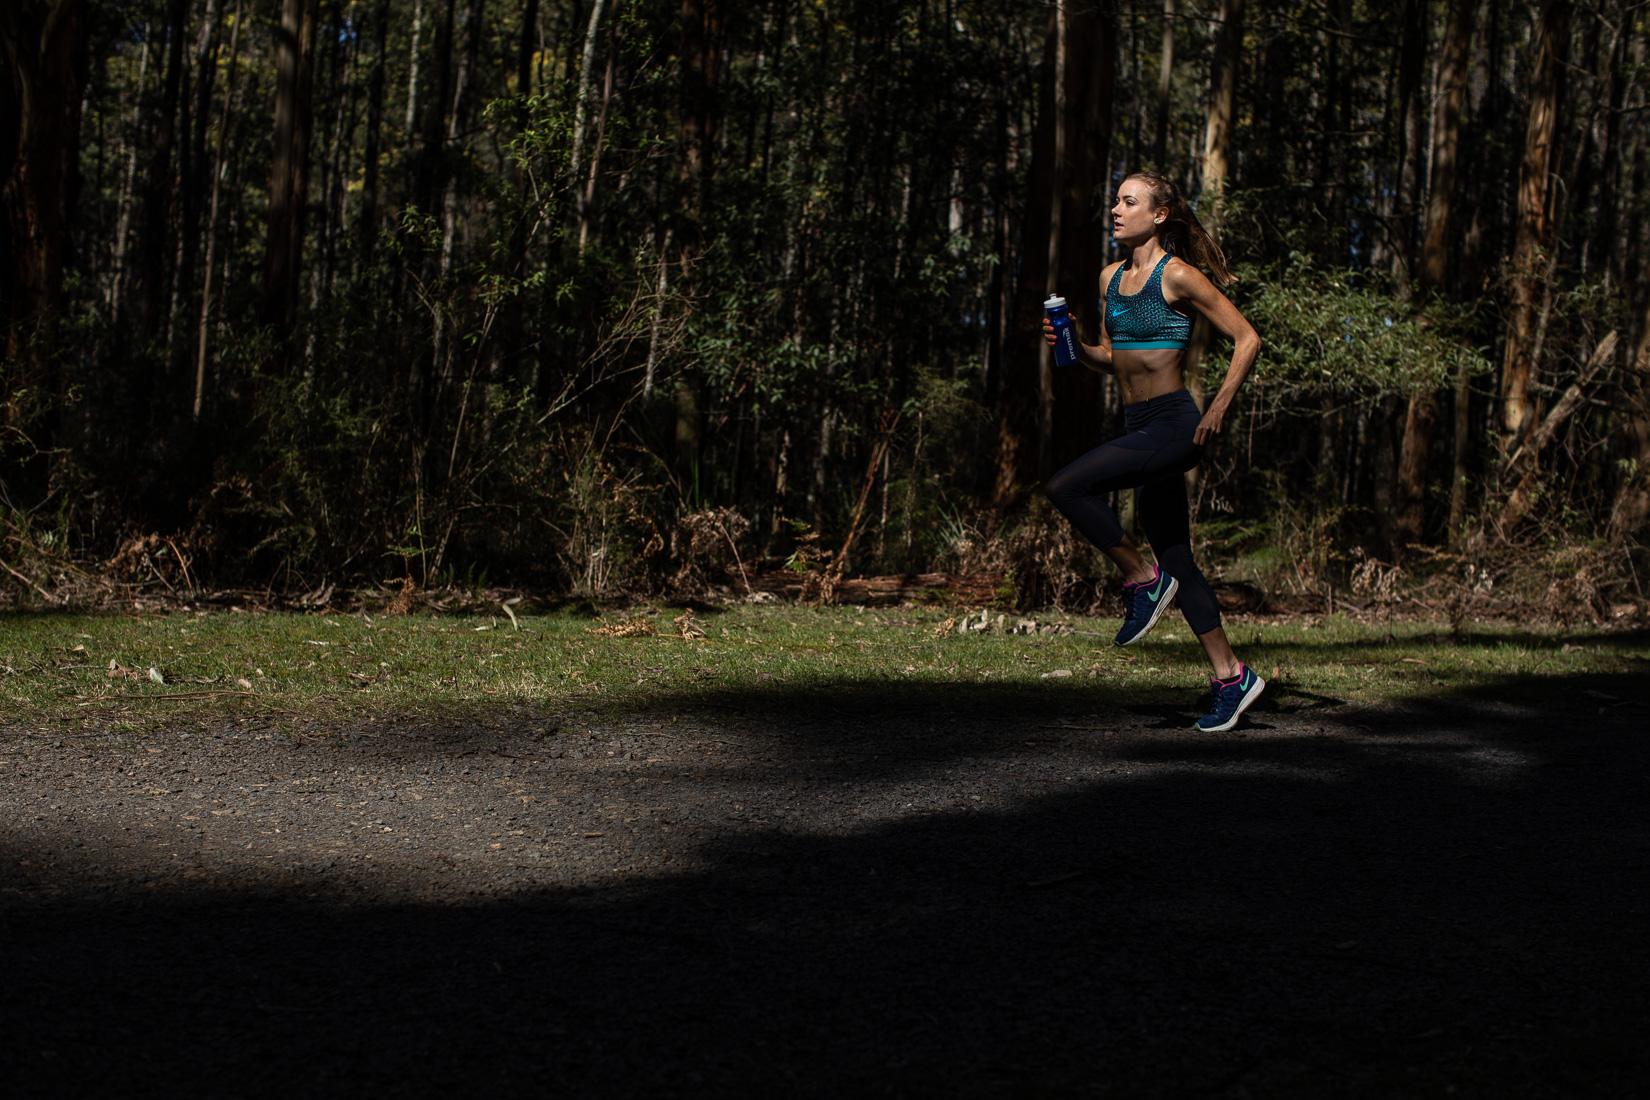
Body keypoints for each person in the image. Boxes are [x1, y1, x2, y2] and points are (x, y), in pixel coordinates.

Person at [1040, 171, 1264, 733]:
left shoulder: (1179, 275)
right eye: (1115, 199)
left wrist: (1217, 408)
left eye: (1129, 201)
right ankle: (1231, 677)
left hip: (1172, 426)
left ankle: (1141, 578)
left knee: (1066, 486)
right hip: (1138, 424)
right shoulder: (1110, 278)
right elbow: (1112, 358)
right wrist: (1073, 348)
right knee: (1180, 559)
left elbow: (1248, 338)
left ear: (1158, 215)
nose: (1116, 209)